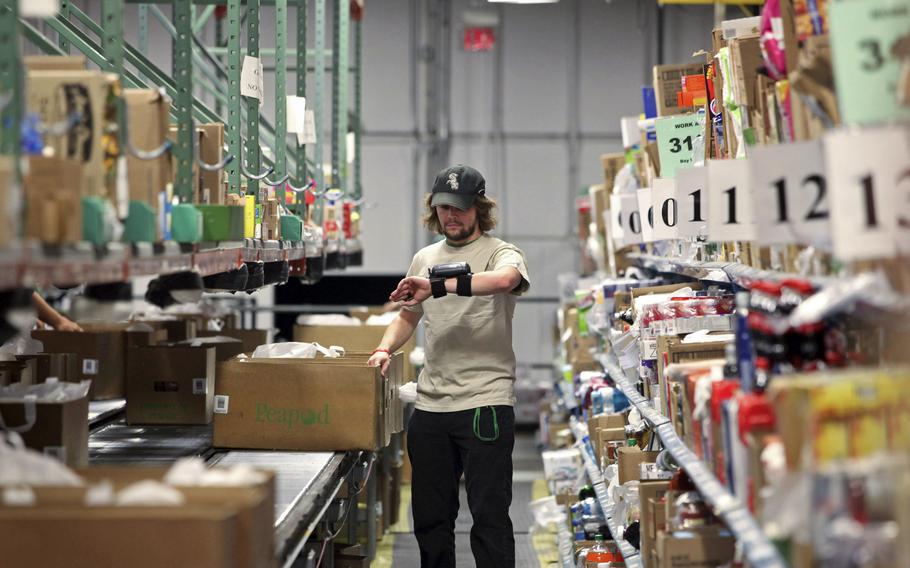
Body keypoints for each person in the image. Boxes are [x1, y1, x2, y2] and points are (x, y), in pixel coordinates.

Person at [368, 164, 530, 568]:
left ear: (479, 208)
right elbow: (408, 315)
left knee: (489, 517)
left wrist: (438, 285)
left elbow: (504, 281)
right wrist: (384, 349)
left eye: (459, 208)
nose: (450, 216)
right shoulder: (425, 257)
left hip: (485, 402)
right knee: (430, 518)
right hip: (432, 406)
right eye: (443, 208)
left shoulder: (500, 252)